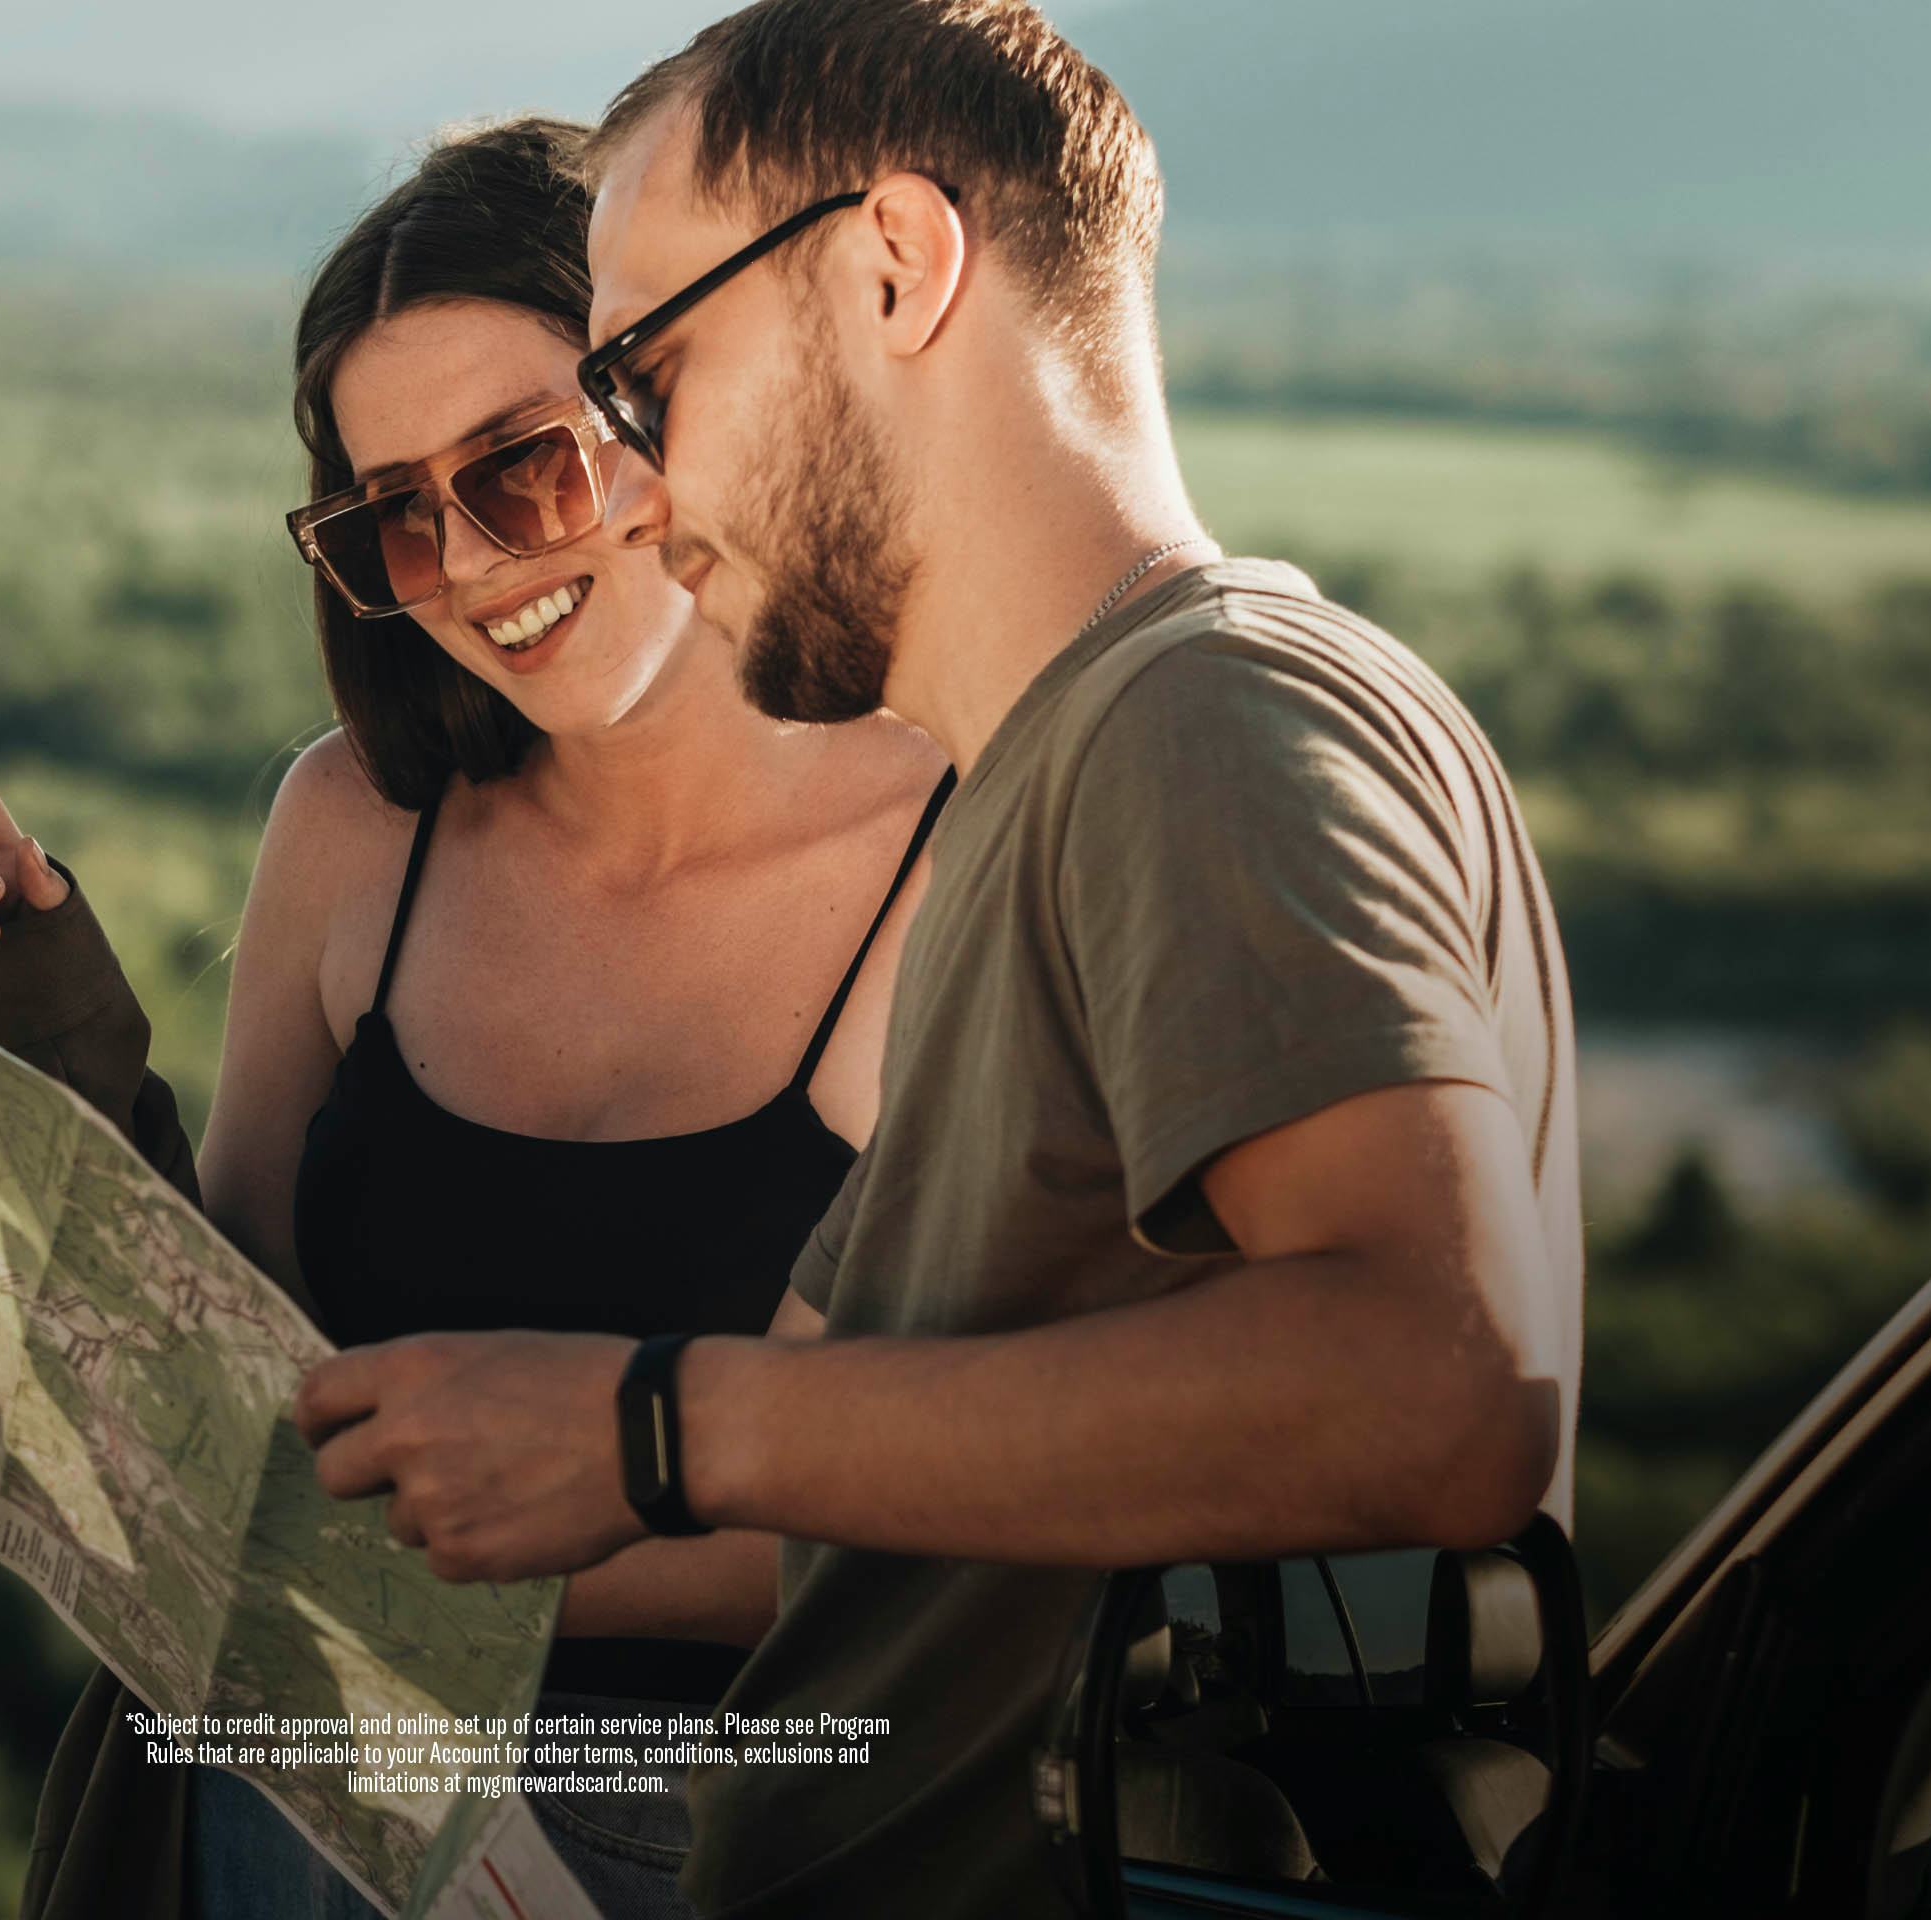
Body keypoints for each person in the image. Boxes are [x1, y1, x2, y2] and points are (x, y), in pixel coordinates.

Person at [283, 5, 1588, 1916]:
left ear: (895, 267)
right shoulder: (1058, 774)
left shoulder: (1205, 722)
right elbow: (899, 1481)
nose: (630, 466)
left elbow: (1447, 1385)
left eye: (643, 369)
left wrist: (656, 1426)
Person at [0, 117, 954, 1918]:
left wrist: (277, 1548)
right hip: (283, 1816)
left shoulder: (962, 856)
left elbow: (896, 1538)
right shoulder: (356, 825)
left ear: (674, 404)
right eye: (394, 511)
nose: (471, 562)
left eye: (522, 464)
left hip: (727, 1834)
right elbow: (232, 1351)